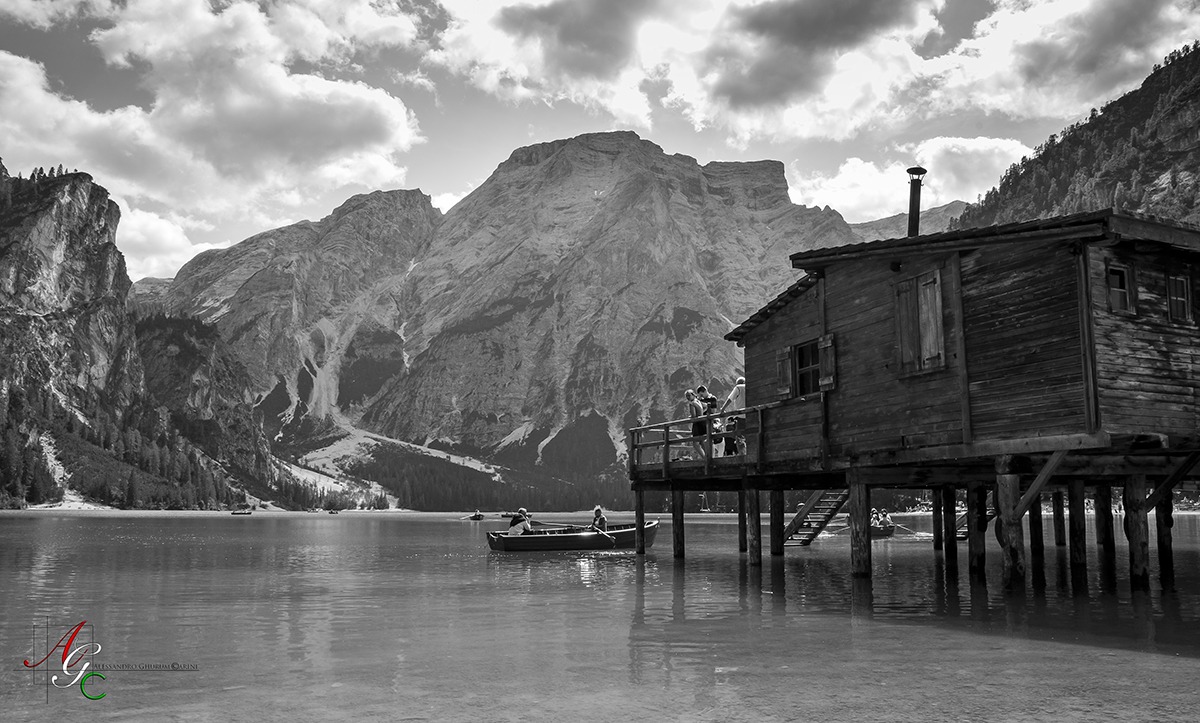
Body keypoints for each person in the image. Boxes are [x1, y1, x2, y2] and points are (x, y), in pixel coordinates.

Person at [720, 376, 746, 456]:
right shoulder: (750, 387)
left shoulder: (738, 388)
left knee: (739, 438)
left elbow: (730, 399)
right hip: (751, 415)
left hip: (741, 416)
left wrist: (722, 409)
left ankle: (742, 455)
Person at [684, 389, 707, 460]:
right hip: (703, 422)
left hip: (697, 423)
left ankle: (704, 458)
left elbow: (693, 415)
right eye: (686, 396)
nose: (687, 397)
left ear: (692, 394)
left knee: (695, 443)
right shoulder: (698, 401)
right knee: (702, 441)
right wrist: (701, 414)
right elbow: (706, 406)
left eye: (688, 395)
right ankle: (708, 457)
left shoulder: (692, 403)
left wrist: (691, 417)